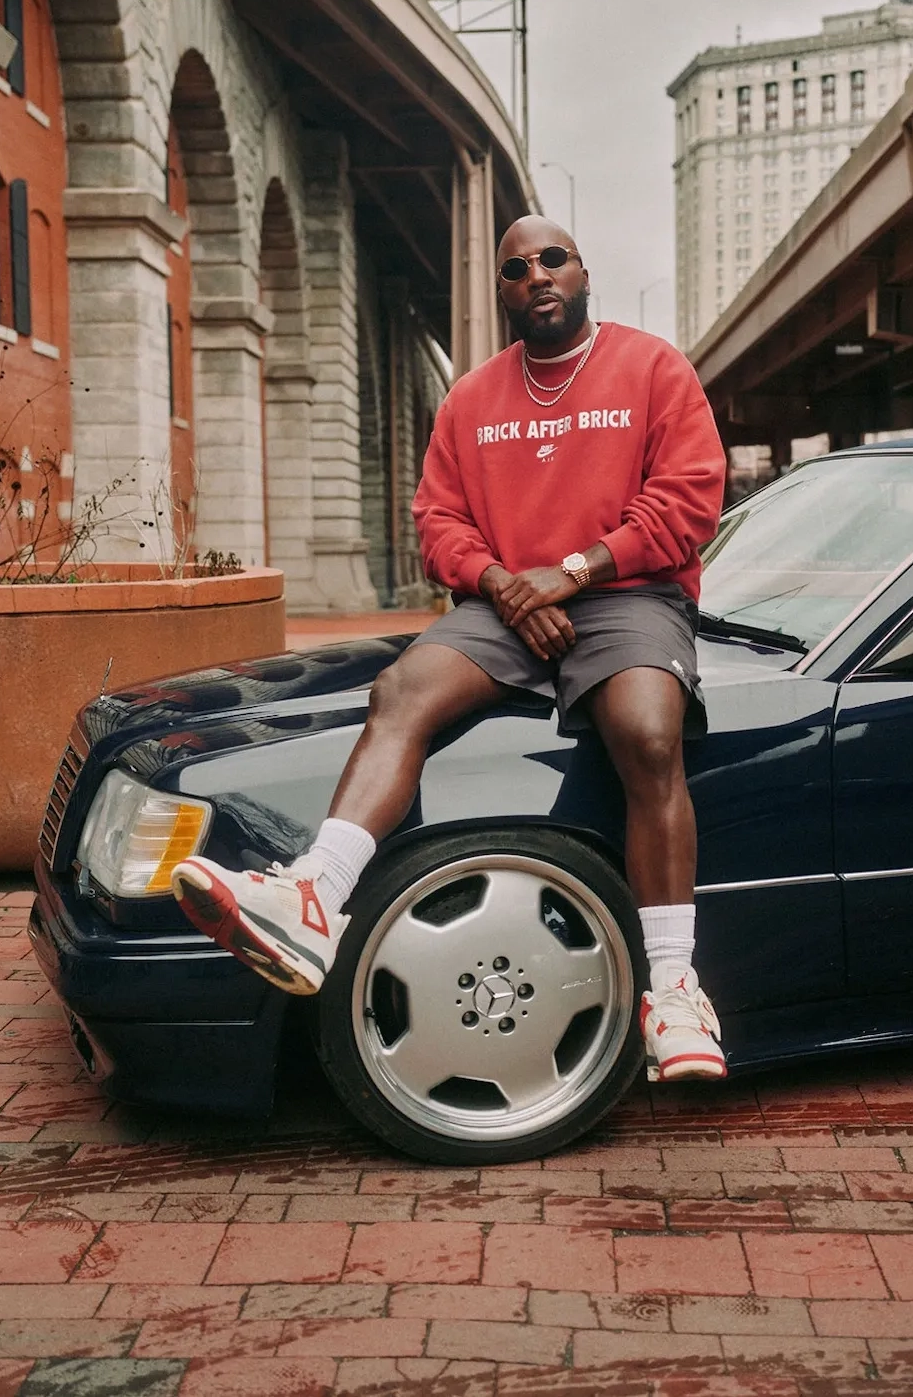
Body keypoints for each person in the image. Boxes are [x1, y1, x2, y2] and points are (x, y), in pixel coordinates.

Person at [171, 215, 728, 1083]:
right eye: (517, 267)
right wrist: (508, 583)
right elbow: (438, 523)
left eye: (554, 258)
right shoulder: (471, 398)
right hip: (504, 602)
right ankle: (315, 894)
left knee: (649, 735)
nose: (538, 274)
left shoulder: (654, 367)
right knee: (400, 691)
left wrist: (568, 574)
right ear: (502, 290)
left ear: (583, 270)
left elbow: (690, 500)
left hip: (625, 593)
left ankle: (675, 989)